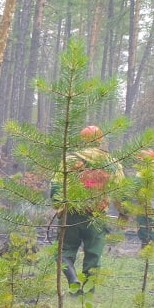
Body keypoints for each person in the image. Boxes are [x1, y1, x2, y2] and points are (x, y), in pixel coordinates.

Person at [52, 125, 124, 292]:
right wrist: (123, 212)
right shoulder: (111, 162)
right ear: (100, 140)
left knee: (63, 252)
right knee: (93, 256)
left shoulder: (70, 159)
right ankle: (88, 293)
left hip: (71, 215)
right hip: (97, 217)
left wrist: (58, 206)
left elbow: (56, 185)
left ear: (81, 140)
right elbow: (120, 191)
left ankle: (73, 279)